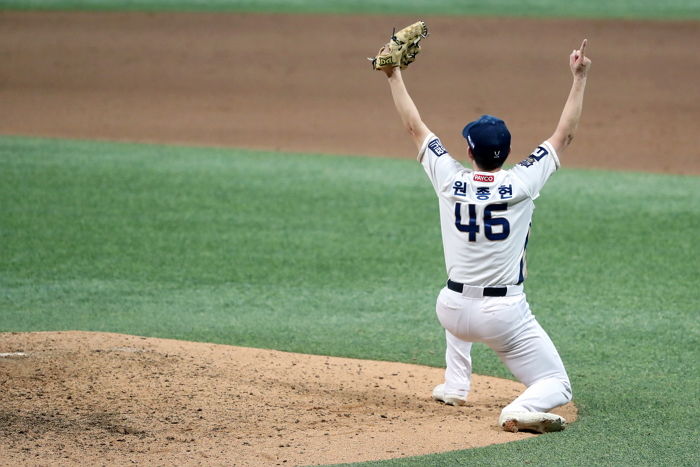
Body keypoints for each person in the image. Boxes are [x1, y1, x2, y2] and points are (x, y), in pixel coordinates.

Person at [380, 39, 592, 433]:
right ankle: (518, 409)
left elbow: (414, 126)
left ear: (469, 150)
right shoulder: (523, 181)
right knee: (557, 384)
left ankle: (455, 384)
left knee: (461, 282)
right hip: (502, 318)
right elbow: (564, 135)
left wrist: (393, 74)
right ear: (509, 152)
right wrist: (579, 77)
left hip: (452, 310)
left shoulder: (450, 178)